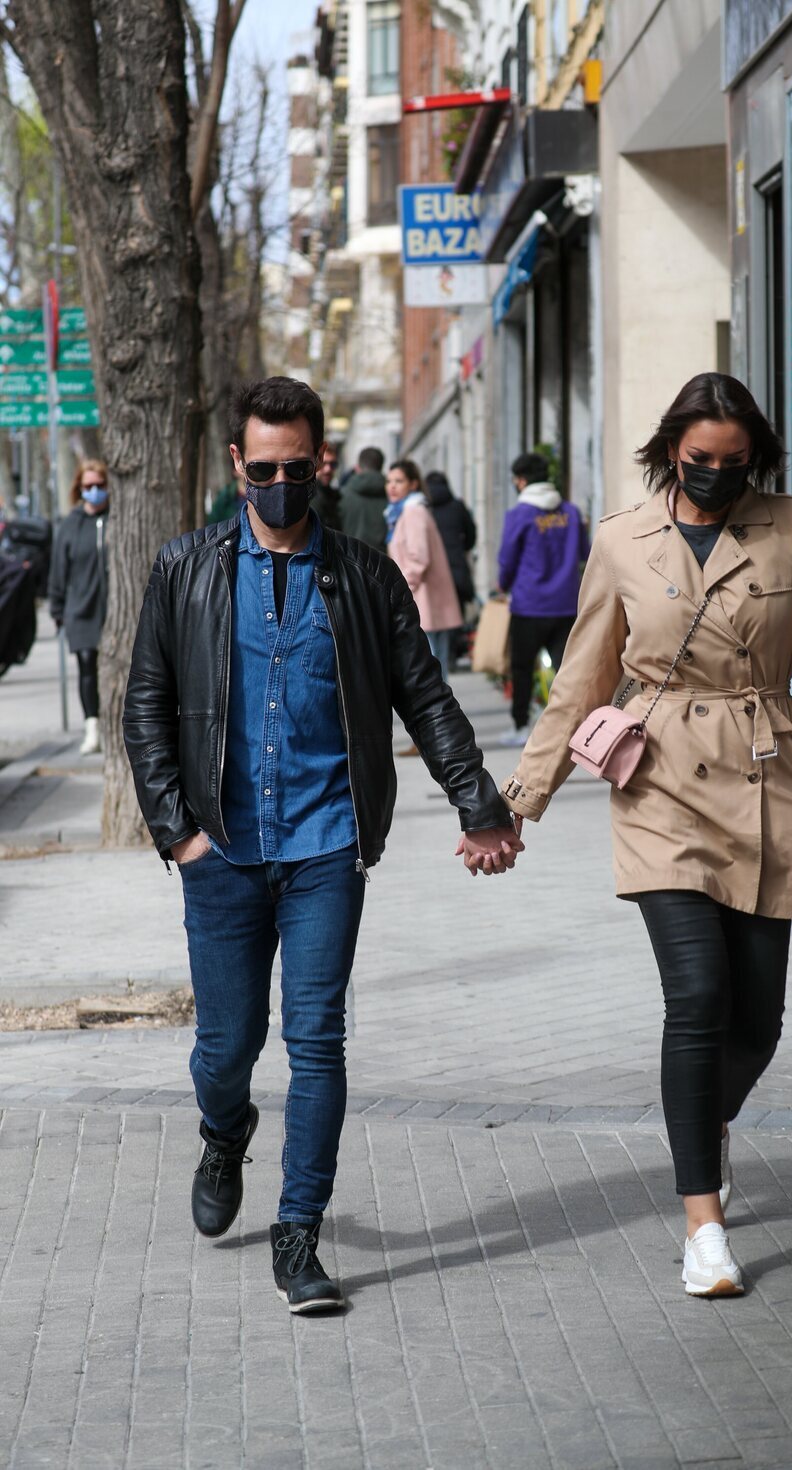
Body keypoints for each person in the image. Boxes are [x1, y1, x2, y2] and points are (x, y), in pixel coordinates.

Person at [123, 376, 521, 1314]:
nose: (277, 483)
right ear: (237, 465)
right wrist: (176, 833)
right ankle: (225, 1134)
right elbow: (143, 706)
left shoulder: (366, 575)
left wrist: (478, 801)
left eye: (294, 468)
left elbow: (424, 698)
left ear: (321, 463)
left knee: (317, 1042)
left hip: (324, 848)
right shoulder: (185, 568)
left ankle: (298, 1234)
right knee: (227, 1048)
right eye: (261, 469)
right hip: (218, 852)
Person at [500, 372, 792, 1298]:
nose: (714, 477)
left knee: (760, 1022)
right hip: (660, 785)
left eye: (734, 465)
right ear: (670, 453)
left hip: (769, 779)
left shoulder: (791, 526)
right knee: (697, 997)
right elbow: (579, 680)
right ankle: (705, 1228)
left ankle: (707, 1121)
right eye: (699, 461)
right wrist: (520, 799)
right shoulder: (620, 540)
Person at [497, 451, 590, 747]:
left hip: (529, 604)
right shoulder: (571, 513)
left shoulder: (519, 515)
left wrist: (503, 584)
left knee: (522, 668)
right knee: (569, 670)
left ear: (521, 480)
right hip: (566, 602)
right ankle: (574, 728)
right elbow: (586, 553)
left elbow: (507, 558)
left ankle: (522, 726)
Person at [49, 459, 110, 755]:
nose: (95, 491)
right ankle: (92, 726)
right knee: (87, 665)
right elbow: (58, 570)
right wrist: (57, 609)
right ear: (79, 489)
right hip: (81, 610)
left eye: (100, 485)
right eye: (89, 486)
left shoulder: (115, 519)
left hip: (111, 610)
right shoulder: (71, 525)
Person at [385, 459, 462, 682]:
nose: (392, 486)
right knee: (433, 668)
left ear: (413, 484)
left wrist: (402, 590)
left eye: (399, 481)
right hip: (425, 599)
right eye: (389, 481)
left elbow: (419, 557)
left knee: (430, 670)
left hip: (424, 598)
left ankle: (439, 717)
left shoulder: (413, 511)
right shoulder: (403, 511)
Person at [426, 469, 477, 613]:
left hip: (432, 570)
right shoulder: (457, 506)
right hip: (456, 568)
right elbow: (471, 535)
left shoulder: (423, 508)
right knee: (456, 615)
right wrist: (462, 548)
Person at [339, 446, 388, 551]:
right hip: (385, 561)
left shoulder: (342, 495)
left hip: (350, 559)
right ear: (381, 467)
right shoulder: (393, 495)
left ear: (357, 468)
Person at [310, 441, 343, 532]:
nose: (328, 469)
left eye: (333, 464)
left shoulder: (334, 495)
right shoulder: (308, 496)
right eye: (324, 464)